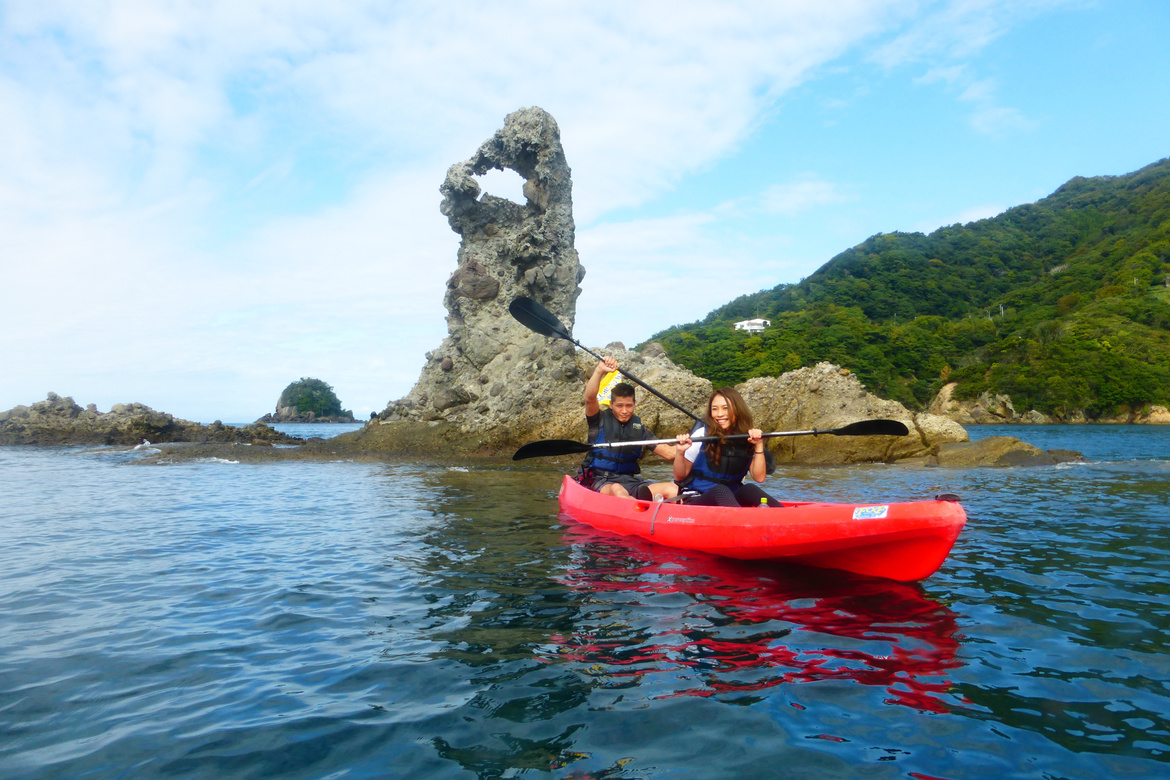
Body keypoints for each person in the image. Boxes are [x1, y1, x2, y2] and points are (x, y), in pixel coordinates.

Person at [580, 357, 676, 500]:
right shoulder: (598, 420)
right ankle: (639, 508)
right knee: (617, 490)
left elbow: (669, 453)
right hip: (601, 480)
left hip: (631, 481)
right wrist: (600, 370)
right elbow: (590, 398)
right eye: (619, 406)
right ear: (611, 404)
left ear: (634, 404)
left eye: (629, 406)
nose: (624, 411)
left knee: (673, 488)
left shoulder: (641, 430)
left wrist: (691, 446)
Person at [673, 387, 780, 507]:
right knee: (721, 490)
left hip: (731, 498)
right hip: (699, 498)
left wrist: (759, 445)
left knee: (749, 488)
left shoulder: (747, 438)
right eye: (715, 409)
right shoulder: (701, 435)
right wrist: (680, 453)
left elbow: (759, 478)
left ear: (737, 409)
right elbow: (679, 476)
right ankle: (741, 521)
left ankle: (785, 516)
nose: (719, 414)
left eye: (726, 408)